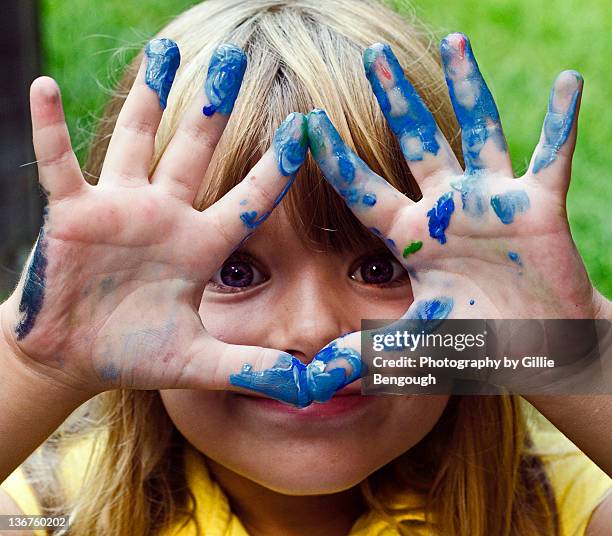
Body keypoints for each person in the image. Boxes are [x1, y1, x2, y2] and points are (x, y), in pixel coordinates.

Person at [0, 0, 610, 534]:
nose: (312, 330)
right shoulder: (51, 513)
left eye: (379, 268)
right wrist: (31, 368)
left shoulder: (566, 510)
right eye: (235, 272)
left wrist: (573, 348)